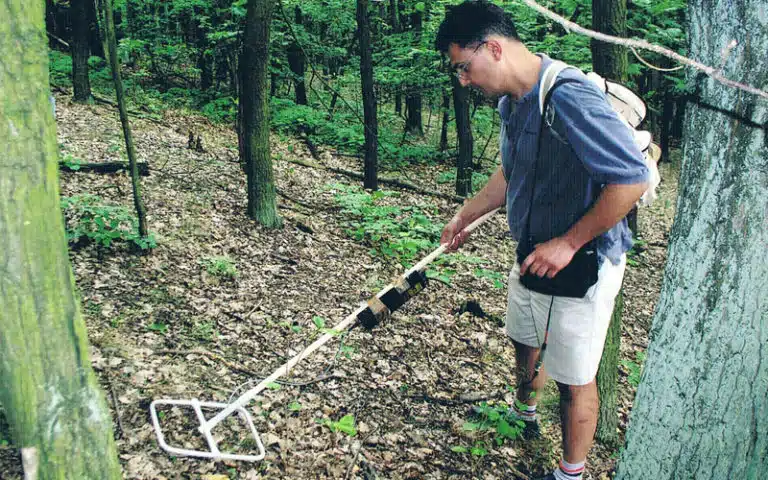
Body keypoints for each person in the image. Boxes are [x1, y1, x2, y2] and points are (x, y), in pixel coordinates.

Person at [435, 2, 649, 480]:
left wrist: (569, 243)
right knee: (525, 338)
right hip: (533, 252)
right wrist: (466, 215)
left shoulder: (568, 97)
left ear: (493, 48)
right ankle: (524, 415)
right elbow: (511, 171)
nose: (463, 81)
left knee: (574, 378)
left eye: (464, 67)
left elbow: (630, 180)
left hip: (584, 261)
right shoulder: (512, 103)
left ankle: (570, 474)